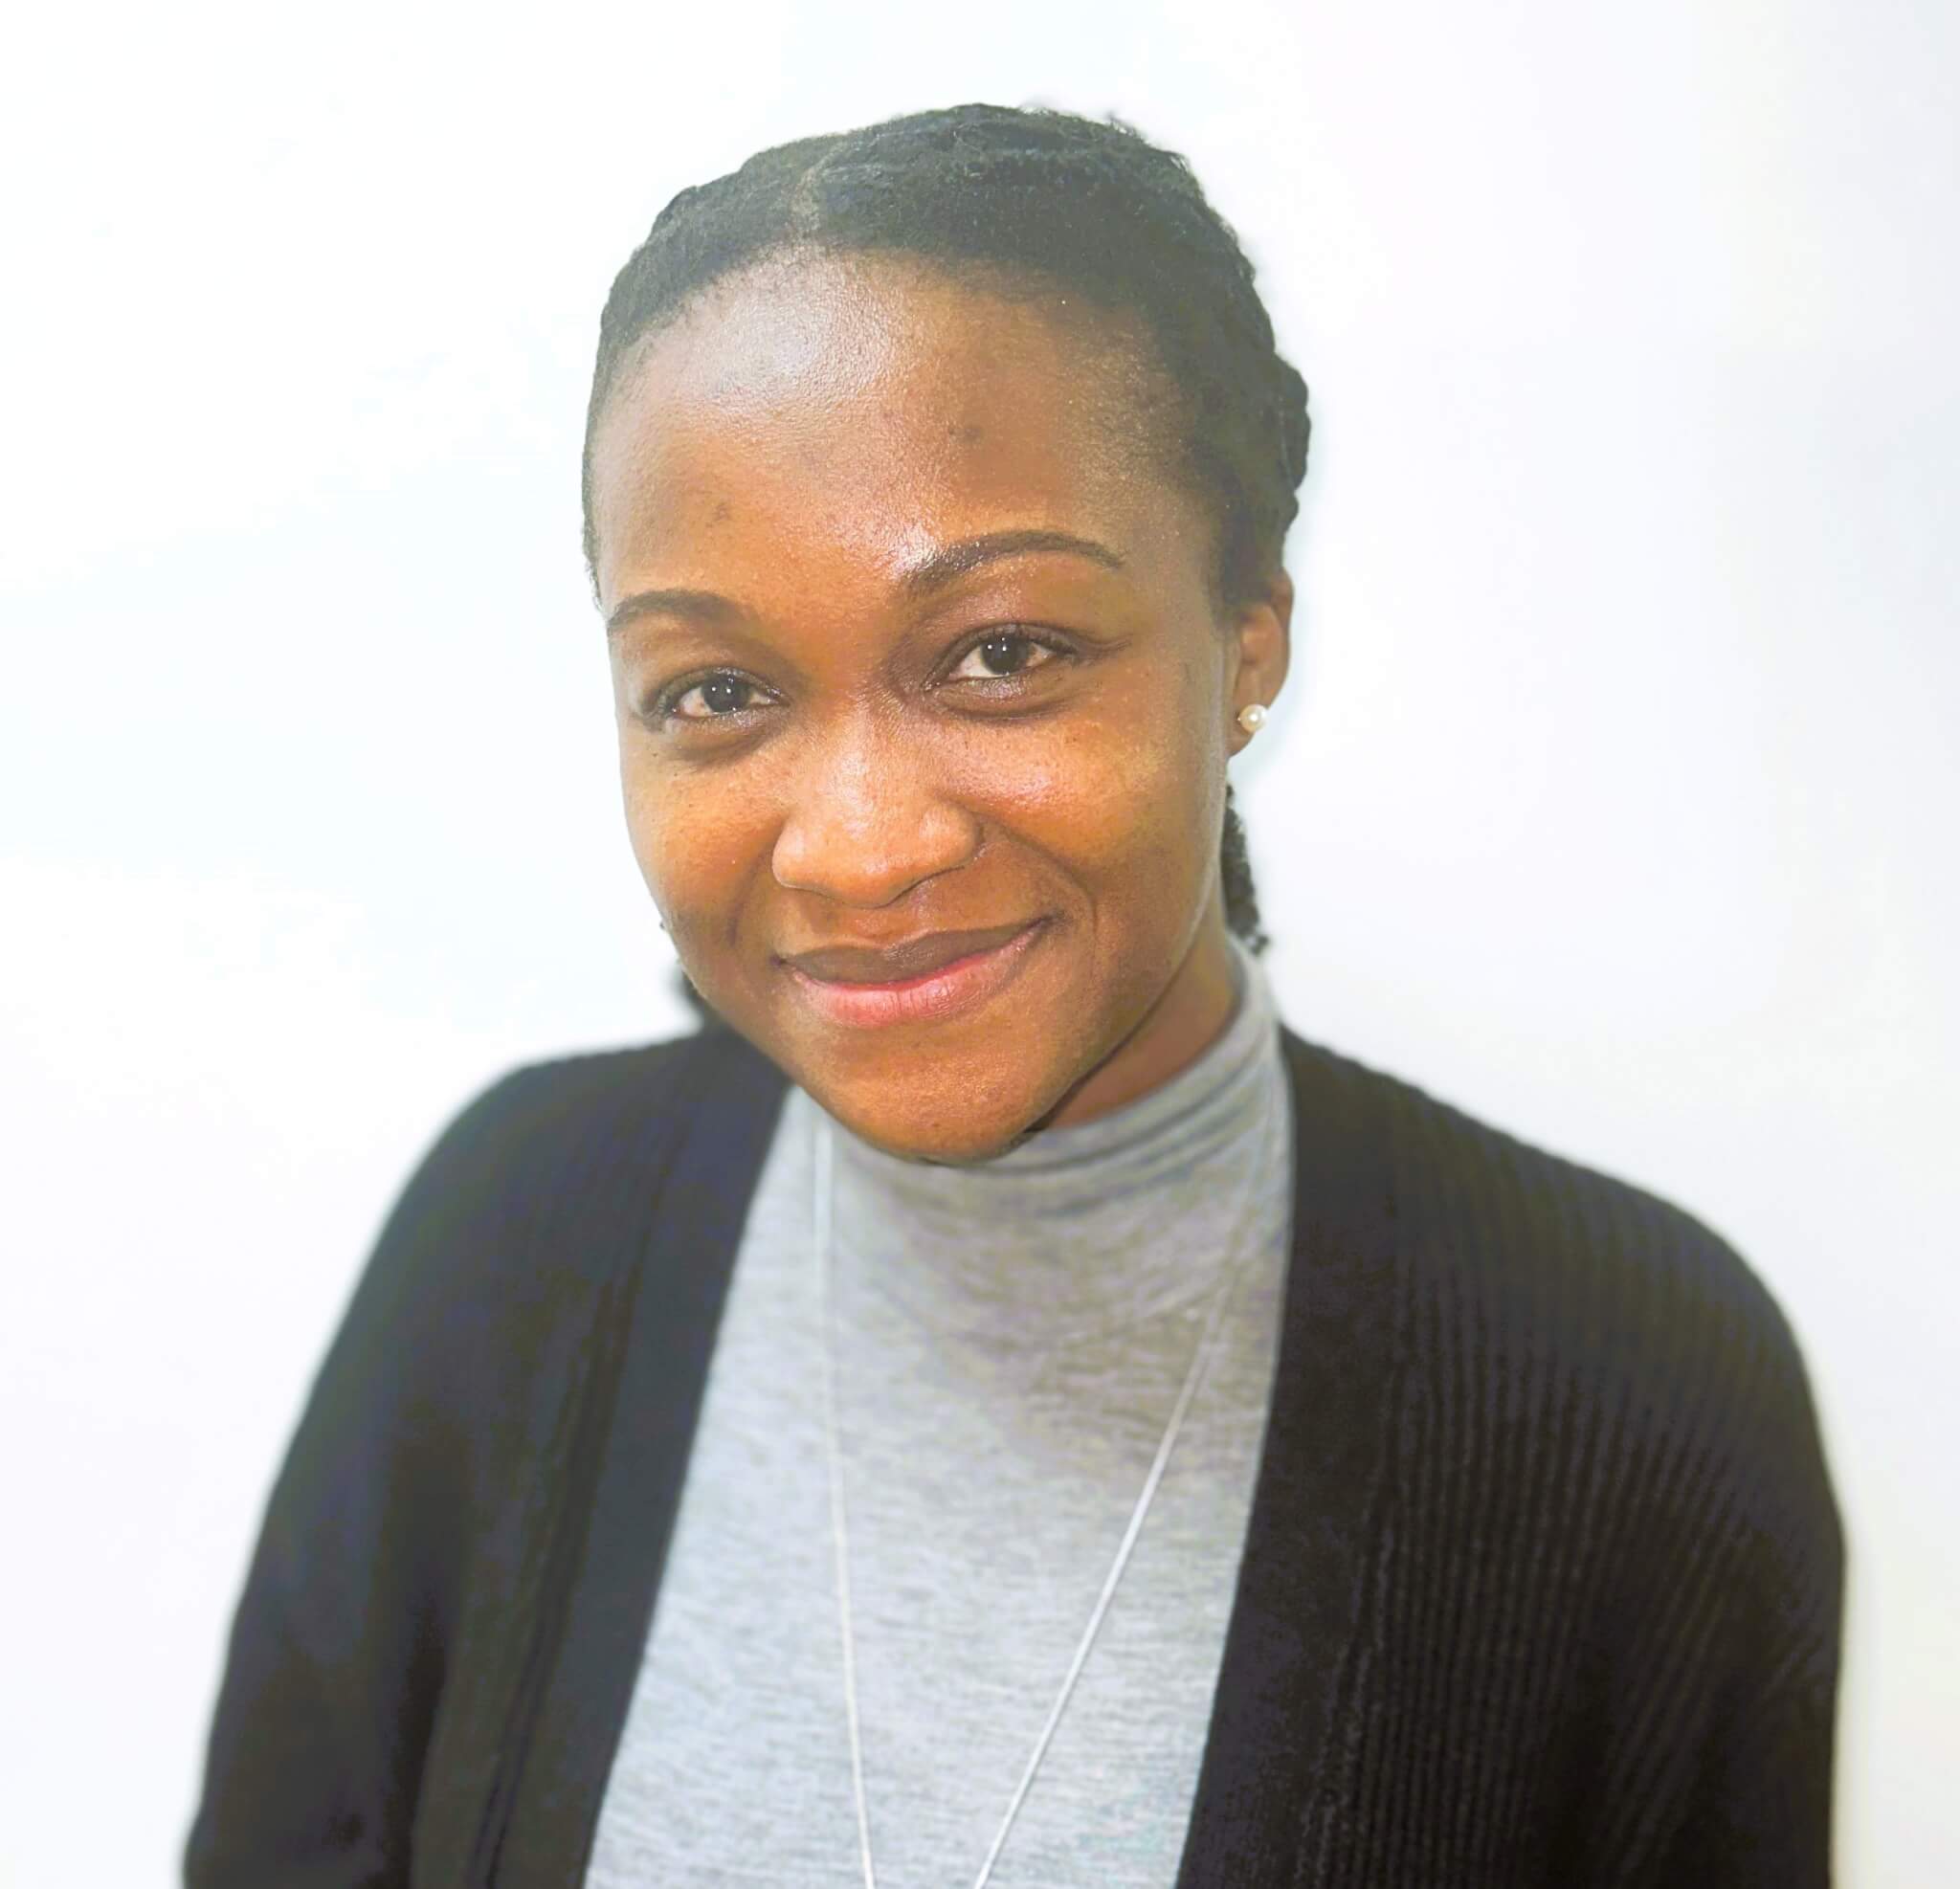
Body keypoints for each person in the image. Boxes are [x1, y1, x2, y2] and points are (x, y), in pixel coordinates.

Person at [183, 103, 1845, 1887]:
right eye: (719, 690)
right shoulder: (514, 1245)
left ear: (1248, 643)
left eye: (1004, 653)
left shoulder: (1627, 1387)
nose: (861, 846)